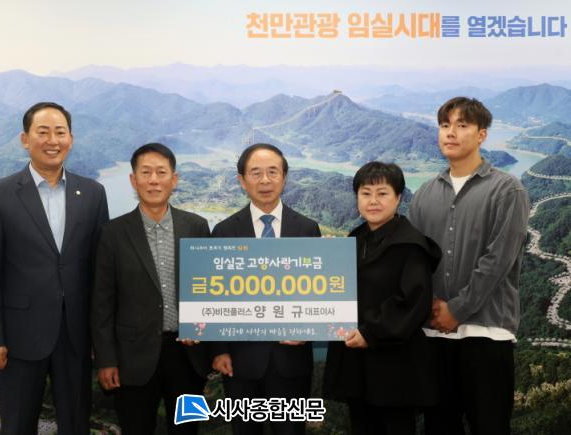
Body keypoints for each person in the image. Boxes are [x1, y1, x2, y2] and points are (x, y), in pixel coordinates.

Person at [0, 102, 109, 434]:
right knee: (18, 424)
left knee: (76, 424)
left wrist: (100, 338)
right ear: (25, 139)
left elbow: (101, 272)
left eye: (60, 132)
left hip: (76, 336)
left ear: (71, 139)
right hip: (19, 338)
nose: (52, 141)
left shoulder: (93, 193)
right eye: (43, 132)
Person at [408, 97, 530, 435]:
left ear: (481, 135)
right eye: (445, 125)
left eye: (462, 125)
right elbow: (414, 261)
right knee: (439, 427)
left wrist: (457, 310)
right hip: (434, 335)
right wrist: (429, 307)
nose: (451, 132)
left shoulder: (507, 190)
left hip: (487, 333)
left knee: (489, 425)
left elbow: (498, 260)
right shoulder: (425, 193)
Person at [91, 143, 211, 434]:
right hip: (132, 358)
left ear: (174, 179)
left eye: (161, 172)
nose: (154, 180)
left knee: (187, 431)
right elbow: (102, 303)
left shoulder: (196, 226)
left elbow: (210, 291)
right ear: (133, 180)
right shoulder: (113, 233)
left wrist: (202, 328)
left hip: (188, 357)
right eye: (146, 173)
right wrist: (106, 360)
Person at [210, 143, 321, 435]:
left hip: (292, 361)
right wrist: (219, 350)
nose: (265, 180)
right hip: (239, 362)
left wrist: (308, 329)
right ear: (241, 180)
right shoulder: (224, 232)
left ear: (284, 177)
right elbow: (214, 297)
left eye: (273, 172)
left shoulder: (307, 229)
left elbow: (318, 294)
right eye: (256, 173)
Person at [323, 162, 441, 435]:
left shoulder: (411, 245)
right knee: (361, 426)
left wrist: (371, 333)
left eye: (382, 193)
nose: (373, 201)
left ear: (398, 198)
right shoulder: (356, 239)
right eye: (365, 193)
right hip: (356, 362)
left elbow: (412, 302)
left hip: (395, 365)